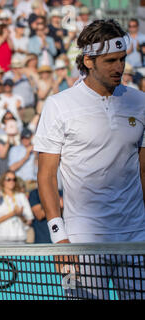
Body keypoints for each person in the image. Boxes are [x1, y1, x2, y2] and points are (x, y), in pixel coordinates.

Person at [34, 19, 145, 299]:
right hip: (82, 239)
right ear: (89, 61)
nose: (119, 67)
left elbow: (144, 171)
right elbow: (46, 176)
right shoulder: (59, 105)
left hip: (136, 237)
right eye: (110, 61)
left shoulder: (140, 102)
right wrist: (60, 238)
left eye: (122, 59)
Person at [0, 170, 34, 244]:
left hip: (20, 237)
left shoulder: (21, 196)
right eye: (8, 179)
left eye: (14, 179)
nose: (12, 181)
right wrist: (12, 214)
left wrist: (20, 215)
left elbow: (29, 221)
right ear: (3, 181)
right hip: (2, 237)